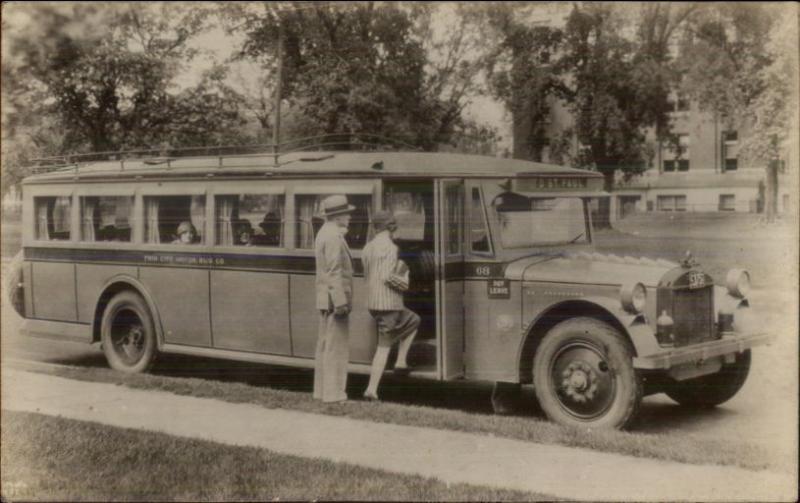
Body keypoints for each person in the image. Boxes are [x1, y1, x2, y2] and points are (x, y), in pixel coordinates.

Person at [361, 210, 420, 401]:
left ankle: (401, 361)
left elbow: (368, 274)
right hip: (389, 304)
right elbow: (387, 277)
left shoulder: (368, 247)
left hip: (374, 303)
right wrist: (405, 279)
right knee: (383, 347)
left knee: (414, 320)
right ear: (390, 227)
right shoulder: (390, 247)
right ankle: (371, 389)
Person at [313, 194, 355, 402]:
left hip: (325, 298)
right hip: (334, 299)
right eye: (346, 214)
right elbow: (334, 271)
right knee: (335, 347)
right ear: (338, 216)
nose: (348, 217)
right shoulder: (333, 236)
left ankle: (322, 391)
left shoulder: (325, 232)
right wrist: (340, 302)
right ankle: (334, 393)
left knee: (326, 345)